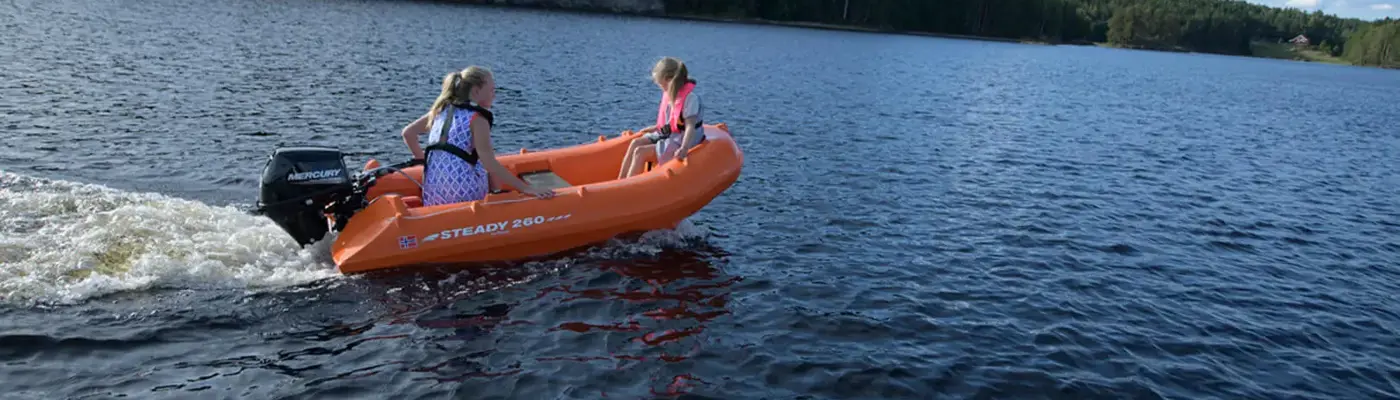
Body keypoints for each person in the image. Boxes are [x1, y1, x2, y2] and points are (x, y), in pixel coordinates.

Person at [400, 66, 555, 206]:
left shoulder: (440, 111)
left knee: (477, 158)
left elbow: (408, 133)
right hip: (463, 193)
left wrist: (423, 160)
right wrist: (526, 188)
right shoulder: (477, 119)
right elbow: (489, 163)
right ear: (476, 91)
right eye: (492, 90)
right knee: (485, 160)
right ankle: (495, 201)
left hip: (433, 191)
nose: (494, 95)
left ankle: (495, 195)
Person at [617, 57, 705, 179]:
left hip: (682, 139)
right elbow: (673, 121)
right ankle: (620, 180)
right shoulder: (672, 94)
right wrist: (656, 128)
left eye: (660, 84)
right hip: (671, 134)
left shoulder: (690, 99)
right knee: (635, 143)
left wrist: (684, 148)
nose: (660, 87)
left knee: (640, 152)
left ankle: (627, 186)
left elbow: (690, 126)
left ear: (669, 80)